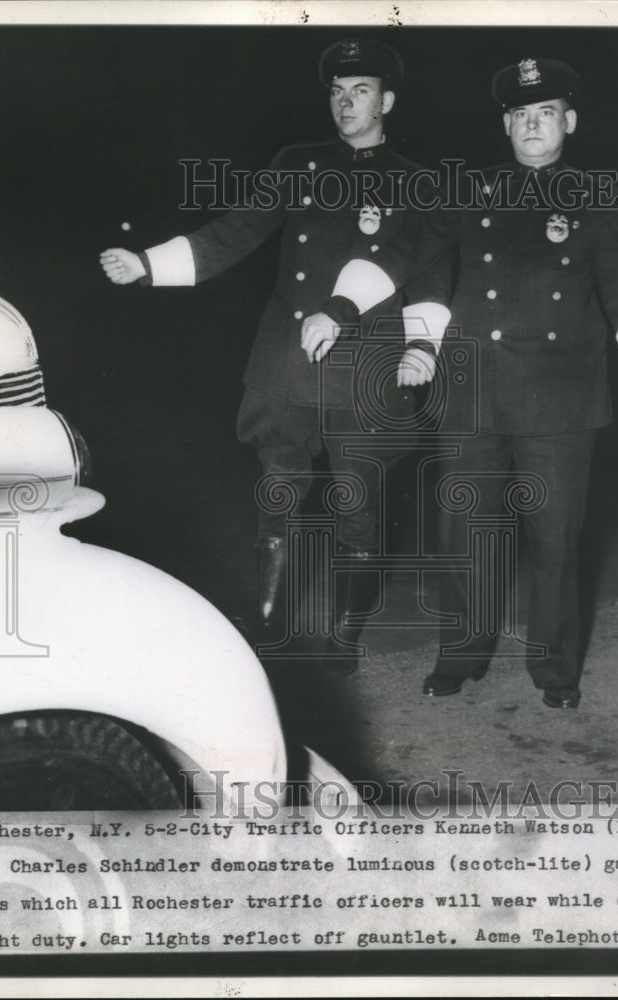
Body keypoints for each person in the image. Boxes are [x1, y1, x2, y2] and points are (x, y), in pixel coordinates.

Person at [301, 58, 618, 706]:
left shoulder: (595, 198)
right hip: (474, 396)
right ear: (506, 124)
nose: (533, 125)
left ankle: (555, 672)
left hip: (561, 402)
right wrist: (342, 305)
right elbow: (404, 249)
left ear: (569, 122)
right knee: (467, 538)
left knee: (555, 543)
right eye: (522, 115)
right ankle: (461, 657)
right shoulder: (468, 190)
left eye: (546, 113)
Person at [100, 39, 447, 656]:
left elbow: (428, 275)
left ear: (387, 101)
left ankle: (344, 634)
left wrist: (421, 348)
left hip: (366, 366)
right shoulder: (297, 162)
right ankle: (266, 629)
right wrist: (146, 264)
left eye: (360, 90)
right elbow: (233, 233)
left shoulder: (417, 182)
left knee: (357, 504)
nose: (346, 102)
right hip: (287, 359)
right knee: (278, 490)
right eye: (337, 92)